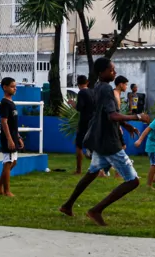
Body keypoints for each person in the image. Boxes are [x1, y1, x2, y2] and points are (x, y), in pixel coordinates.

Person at [58, 58, 149, 226]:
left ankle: (67, 205)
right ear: (101, 72)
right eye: (111, 70)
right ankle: (96, 210)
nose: (114, 72)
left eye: (114, 69)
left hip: (100, 139)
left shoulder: (98, 87)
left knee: (92, 173)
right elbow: (112, 115)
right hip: (109, 142)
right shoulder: (106, 89)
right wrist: (136, 117)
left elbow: (105, 112)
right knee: (133, 181)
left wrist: (126, 124)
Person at [0, 77, 24, 197]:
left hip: (13, 135)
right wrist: (9, 139)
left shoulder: (11, 103)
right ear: (5, 87)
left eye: (15, 86)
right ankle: (6, 190)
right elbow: (4, 122)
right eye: (12, 86)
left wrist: (18, 137)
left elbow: (13, 124)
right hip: (8, 137)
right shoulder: (5, 103)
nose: (15, 88)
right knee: (8, 162)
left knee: (13, 162)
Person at [71, 75, 93, 175]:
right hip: (93, 121)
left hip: (84, 121)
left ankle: (79, 170)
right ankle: (99, 170)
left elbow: (80, 108)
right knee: (95, 145)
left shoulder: (82, 92)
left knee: (79, 145)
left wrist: (72, 104)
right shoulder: (93, 92)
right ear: (87, 82)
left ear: (78, 84)